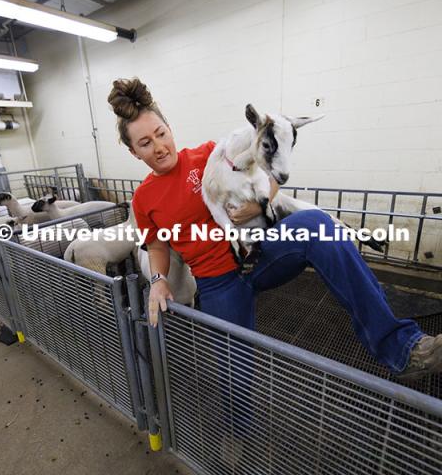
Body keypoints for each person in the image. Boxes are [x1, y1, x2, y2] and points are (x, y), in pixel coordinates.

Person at [107, 77, 442, 382]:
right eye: (146, 143)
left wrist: (258, 205)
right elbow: (157, 245)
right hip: (217, 282)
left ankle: (402, 349)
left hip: (261, 253)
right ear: (134, 151)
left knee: (317, 225)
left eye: (161, 133)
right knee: (234, 375)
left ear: (170, 128)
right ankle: (238, 435)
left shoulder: (209, 154)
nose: (159, 146)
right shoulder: (143, 199)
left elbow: (269, 176)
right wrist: (158, 281)